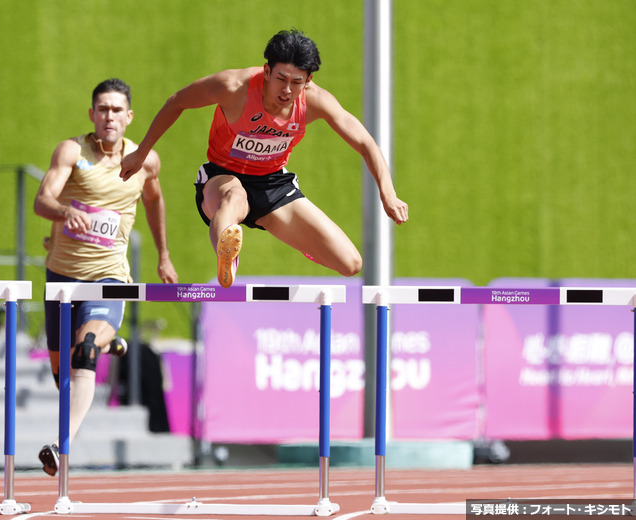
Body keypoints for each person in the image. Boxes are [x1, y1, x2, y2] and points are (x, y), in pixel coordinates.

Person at [120, 29, 408, 288]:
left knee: (350, 264)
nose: (287, 90)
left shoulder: (317, 101)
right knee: (235, 197)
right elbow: (178, 101)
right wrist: (141, 152)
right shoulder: (234, 86)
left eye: (297, 83)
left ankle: (293, 238)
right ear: (267, 71)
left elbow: (366, 143)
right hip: (223, 175)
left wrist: (388, 192)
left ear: (308, 81)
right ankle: (227, 256)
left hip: (273, 184)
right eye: (281, 79)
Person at [33, 78, 178, 476]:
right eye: (102, 109)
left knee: (85, 351)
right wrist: (64, 213)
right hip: (62, 278)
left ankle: (61, 448)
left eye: (117, 110)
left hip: (110, 275)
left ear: (129, 117)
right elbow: (42, 200)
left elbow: (155, 200)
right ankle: (111, 346)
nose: (109, 116)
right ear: (92, 115)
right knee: (63, 377)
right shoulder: (71, 151)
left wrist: (164, 256)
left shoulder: (145, 160)